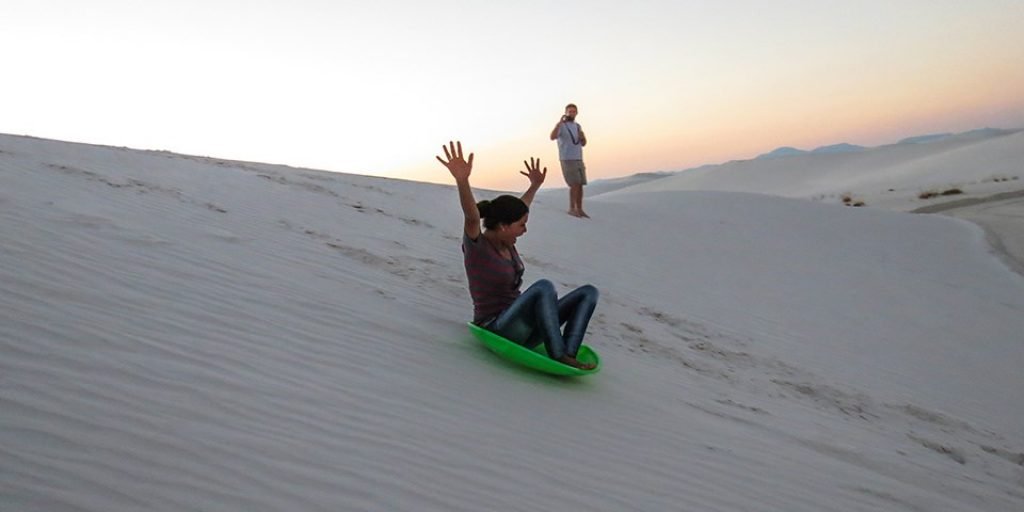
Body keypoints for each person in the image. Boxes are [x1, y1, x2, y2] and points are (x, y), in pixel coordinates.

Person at [436, 140, 599, 369]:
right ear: (503, 226)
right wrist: (462, 180)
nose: (525, 230)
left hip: (523, 327)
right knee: (544, 287)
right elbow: (472, 217)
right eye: (521, 226)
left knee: (588, 293)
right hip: (496, 326)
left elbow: (520, 208)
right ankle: (559, 355)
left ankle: (568, 352)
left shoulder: (508, 242)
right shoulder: (478, 248)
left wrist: (534, 185)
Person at [549, 103, 589, 218]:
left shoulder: (578, 126)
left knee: (580, 184)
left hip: (578, 158)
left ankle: (579, 209)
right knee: (574, 184)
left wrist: (582, 137)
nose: (572, 113)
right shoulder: (562, 126)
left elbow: (584, 143)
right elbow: (552, 137)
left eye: (573, 111)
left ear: (577, 113)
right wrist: (558, 124)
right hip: (567, 158)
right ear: (566, 112)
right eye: (569, 111)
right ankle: (572, 208)